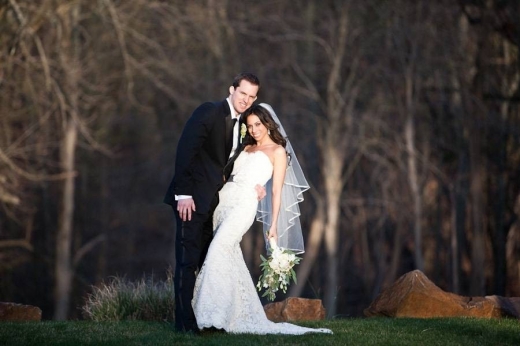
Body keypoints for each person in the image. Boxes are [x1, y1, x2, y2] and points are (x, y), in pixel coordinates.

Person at [192, 103, 333, 335]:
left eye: (258, 124)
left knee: (218, 248)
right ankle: (228, 314)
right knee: (228, 256)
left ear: (267, 123)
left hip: (245, 204)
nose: (254, 130)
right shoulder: (243, 148)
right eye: (250, 126)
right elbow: (226, 173)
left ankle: (211, 316)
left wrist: (274, 224)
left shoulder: (278, 151)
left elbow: (277, 190)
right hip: (224, 201)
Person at [163, 73, 261, 333]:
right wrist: (183, 194)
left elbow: (235, 165)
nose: (246, 100)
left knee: (204, 261)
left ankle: (206, 317)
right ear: (232, 89)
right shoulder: (209, 112)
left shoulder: (243, 124)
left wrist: (257, 186)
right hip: (191, 200)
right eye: (243, 94)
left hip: (213, 204)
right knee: (186, 261)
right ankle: (183, 324)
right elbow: (186, 150)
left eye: (251, 97)